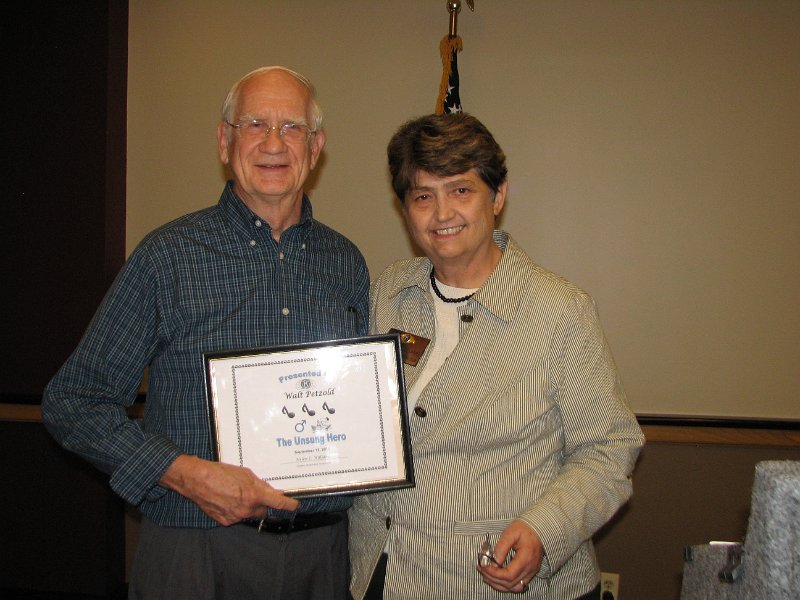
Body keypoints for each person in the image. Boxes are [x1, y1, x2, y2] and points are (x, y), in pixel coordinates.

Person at [42, 66, 369, 600]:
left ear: (316, 149)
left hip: (322, 556)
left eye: (291, 128)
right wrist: (184, 473)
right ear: (225, 141)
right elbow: (73, 400)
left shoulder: (346, 262)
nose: (273, 142)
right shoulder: (167, 256)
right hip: (194, 550)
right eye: (255, 124)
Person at [348, 113, 644, 599]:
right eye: (423, 196)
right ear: (405, 209)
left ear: (498, 195)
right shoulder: (390, 291)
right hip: (381, 570)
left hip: (496, 579)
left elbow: (610, 450)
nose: (442, 213)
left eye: (461, 191)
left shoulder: (559, 311)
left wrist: (543, 531)